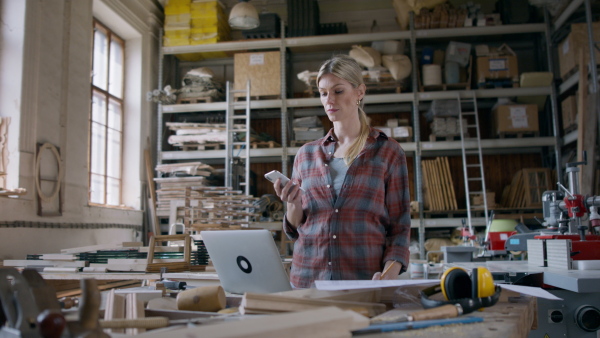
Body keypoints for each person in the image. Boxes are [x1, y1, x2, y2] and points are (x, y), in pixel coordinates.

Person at [272, 54, 411, 289]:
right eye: (323, 93)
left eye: (338, 91)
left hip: (364, 282)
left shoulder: (388, 152)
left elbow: (400, 227)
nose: (329, 100)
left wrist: (390, 273)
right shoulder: (306, 155)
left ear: (359, 92)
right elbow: (295, 229)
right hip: (307, 281)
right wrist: (293, 205)